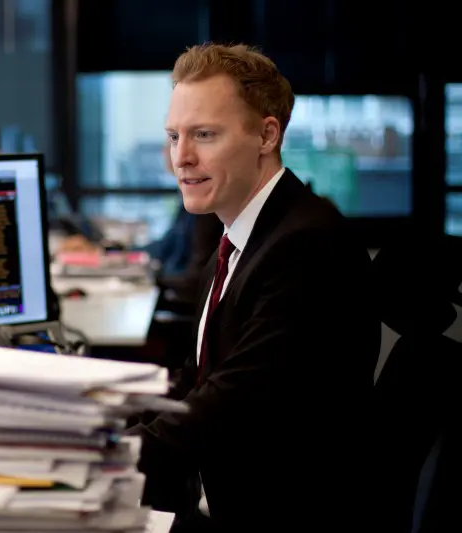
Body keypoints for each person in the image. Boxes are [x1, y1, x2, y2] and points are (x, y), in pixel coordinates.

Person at [129, 44, 380, 532]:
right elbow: (198, 379)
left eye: (205, 135)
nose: (181, 157)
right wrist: (95, 416)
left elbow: (229, 404)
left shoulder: (308, 246)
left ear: (267, 135)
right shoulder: (239, 236)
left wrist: (100, 454)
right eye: (174, 136)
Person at [58, 140, 214, 277]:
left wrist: (152, 278)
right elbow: (164, 246)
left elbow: (188, 273)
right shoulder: (186, 200)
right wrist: (110, 250)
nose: (166, 153)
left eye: (172, 143)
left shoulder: (199, 205)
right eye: (172, 140)